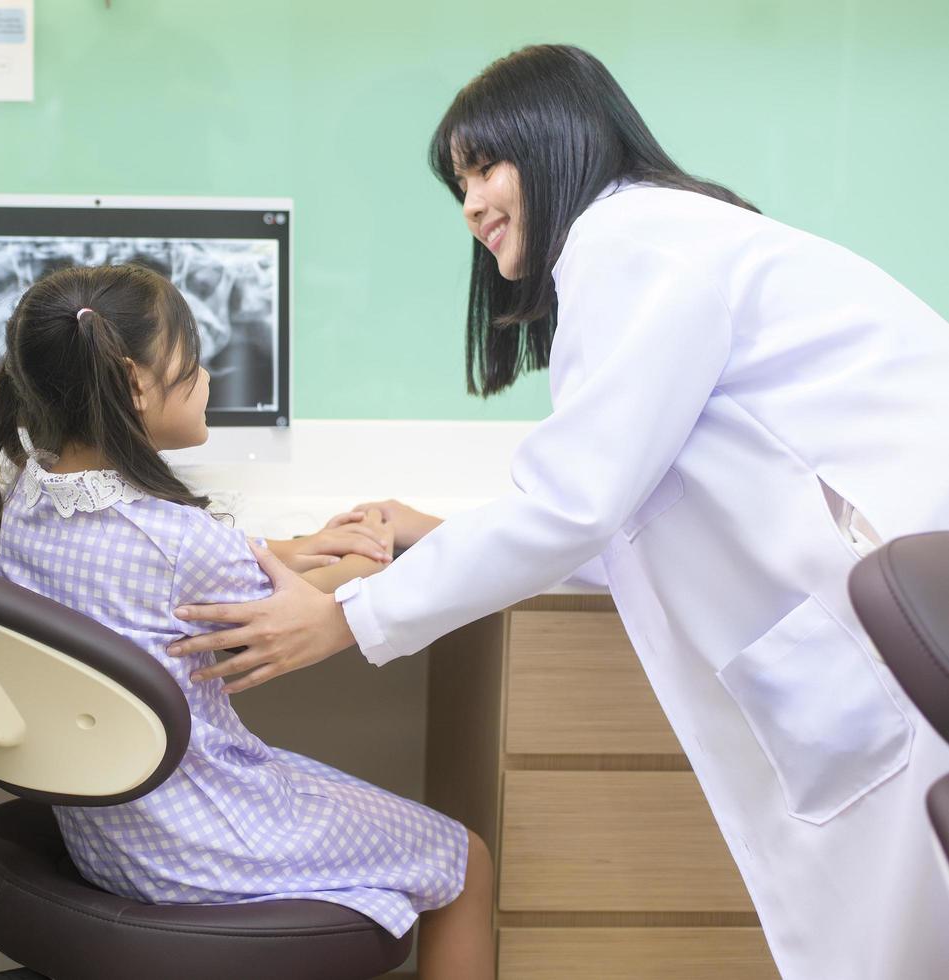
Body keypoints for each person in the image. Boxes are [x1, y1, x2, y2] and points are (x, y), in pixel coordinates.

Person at [165, 44, 949, 980]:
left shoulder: (632, 241)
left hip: (873, 622)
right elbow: (623, 516)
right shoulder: (657, 242)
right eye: (458, 181)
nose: (469, 204)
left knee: (893, 936)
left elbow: (578, 507)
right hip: (864, 618)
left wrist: (344, 614)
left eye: (484, 167)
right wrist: (447, 541)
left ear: (556, 144)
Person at [0, 263, 495, 979]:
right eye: (193, 364)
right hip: (209, 842)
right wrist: (373, 545)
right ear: (135, 384)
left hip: (112, 837)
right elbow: (304, 598)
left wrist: (299, 548)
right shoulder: (178, 541)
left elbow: (217, 570)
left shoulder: (30, 493)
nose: (209, 377)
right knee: (461, 859)